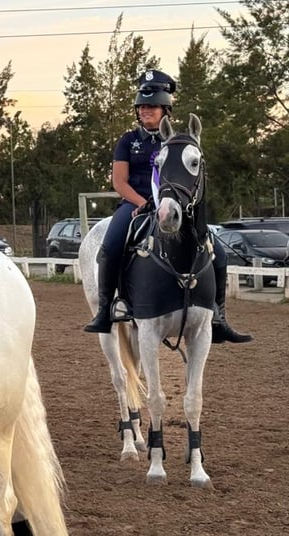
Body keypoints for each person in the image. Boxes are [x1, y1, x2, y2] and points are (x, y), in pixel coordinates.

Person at [83, 70, 252, 343]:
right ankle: (107, 310)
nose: (145, 111)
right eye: (141, 106)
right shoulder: (128, 141)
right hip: (136, 204)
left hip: (176, 205)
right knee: (111, 246)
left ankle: (219, 317)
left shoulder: (177, 141)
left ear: (165, 109)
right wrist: (143, 203)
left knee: (218, 254)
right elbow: (119, 182)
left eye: (152, 106)